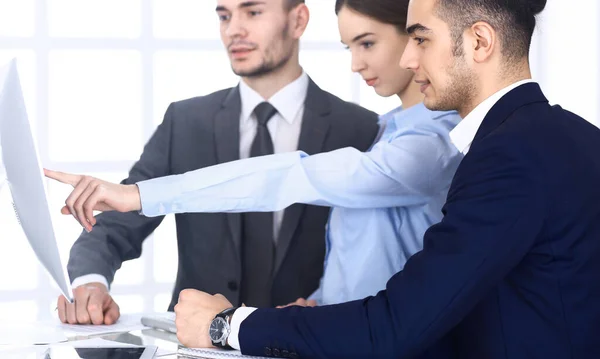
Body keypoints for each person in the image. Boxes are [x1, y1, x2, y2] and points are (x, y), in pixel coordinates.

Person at [162, 0, 600, 357]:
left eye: (421, 39)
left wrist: (227, 325)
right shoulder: (576, 137)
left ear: (480, 41)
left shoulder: (506, 156)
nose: (409, 58)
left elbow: (398, 326)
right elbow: (475, 307)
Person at [46, 0, 463, 310]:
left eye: (253, 12)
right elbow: (115, 227)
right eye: (224, 16)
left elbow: (385, 258)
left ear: (298, 19)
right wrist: (91, 281)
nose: (234, 30)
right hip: (207, 342)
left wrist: (140, 194)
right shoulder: (185, 121)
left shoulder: (364, 129)